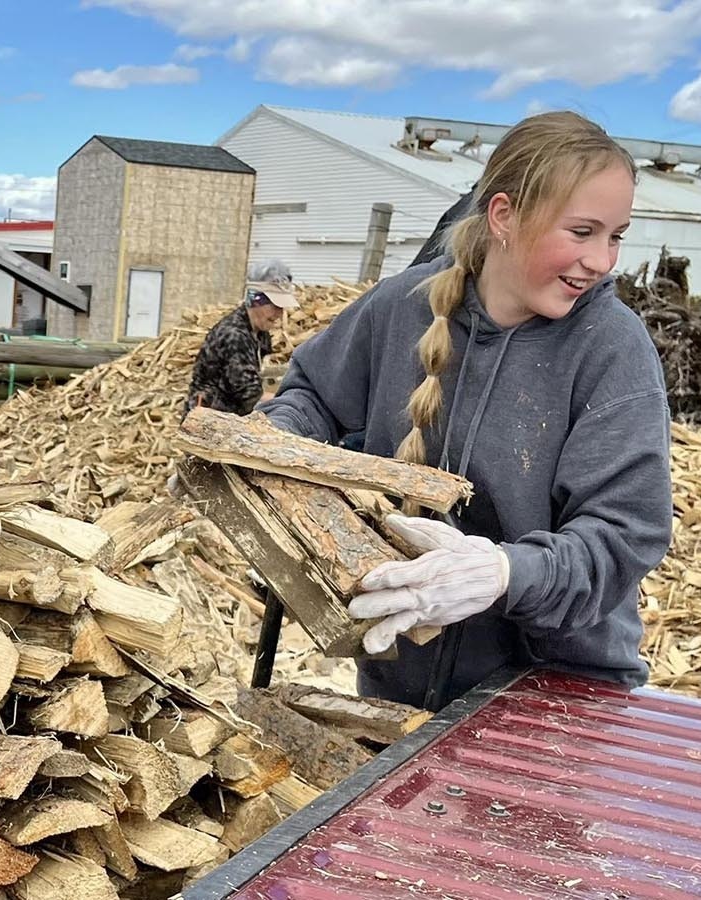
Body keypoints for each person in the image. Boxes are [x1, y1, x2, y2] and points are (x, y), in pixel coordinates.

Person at [258, 111, 672, 712]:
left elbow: (623, 536)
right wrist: (260, 447)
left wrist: (505, 574)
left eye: (616, 236)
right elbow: (312, 399)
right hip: (397, 676)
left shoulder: (611, 348)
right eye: (582, 232)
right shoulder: (402, 306)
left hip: (553, 691)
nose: (603, 260)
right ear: (503, 216)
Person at [185, 279, 295, 416]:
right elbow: (248, 393)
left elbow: (260, 371)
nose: (279, 315)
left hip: (231, 414)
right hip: (210, 414)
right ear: (255, 301)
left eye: (282, 309)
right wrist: (287, 402)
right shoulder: (235, 335)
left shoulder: (259, 333)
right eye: (275, 307)